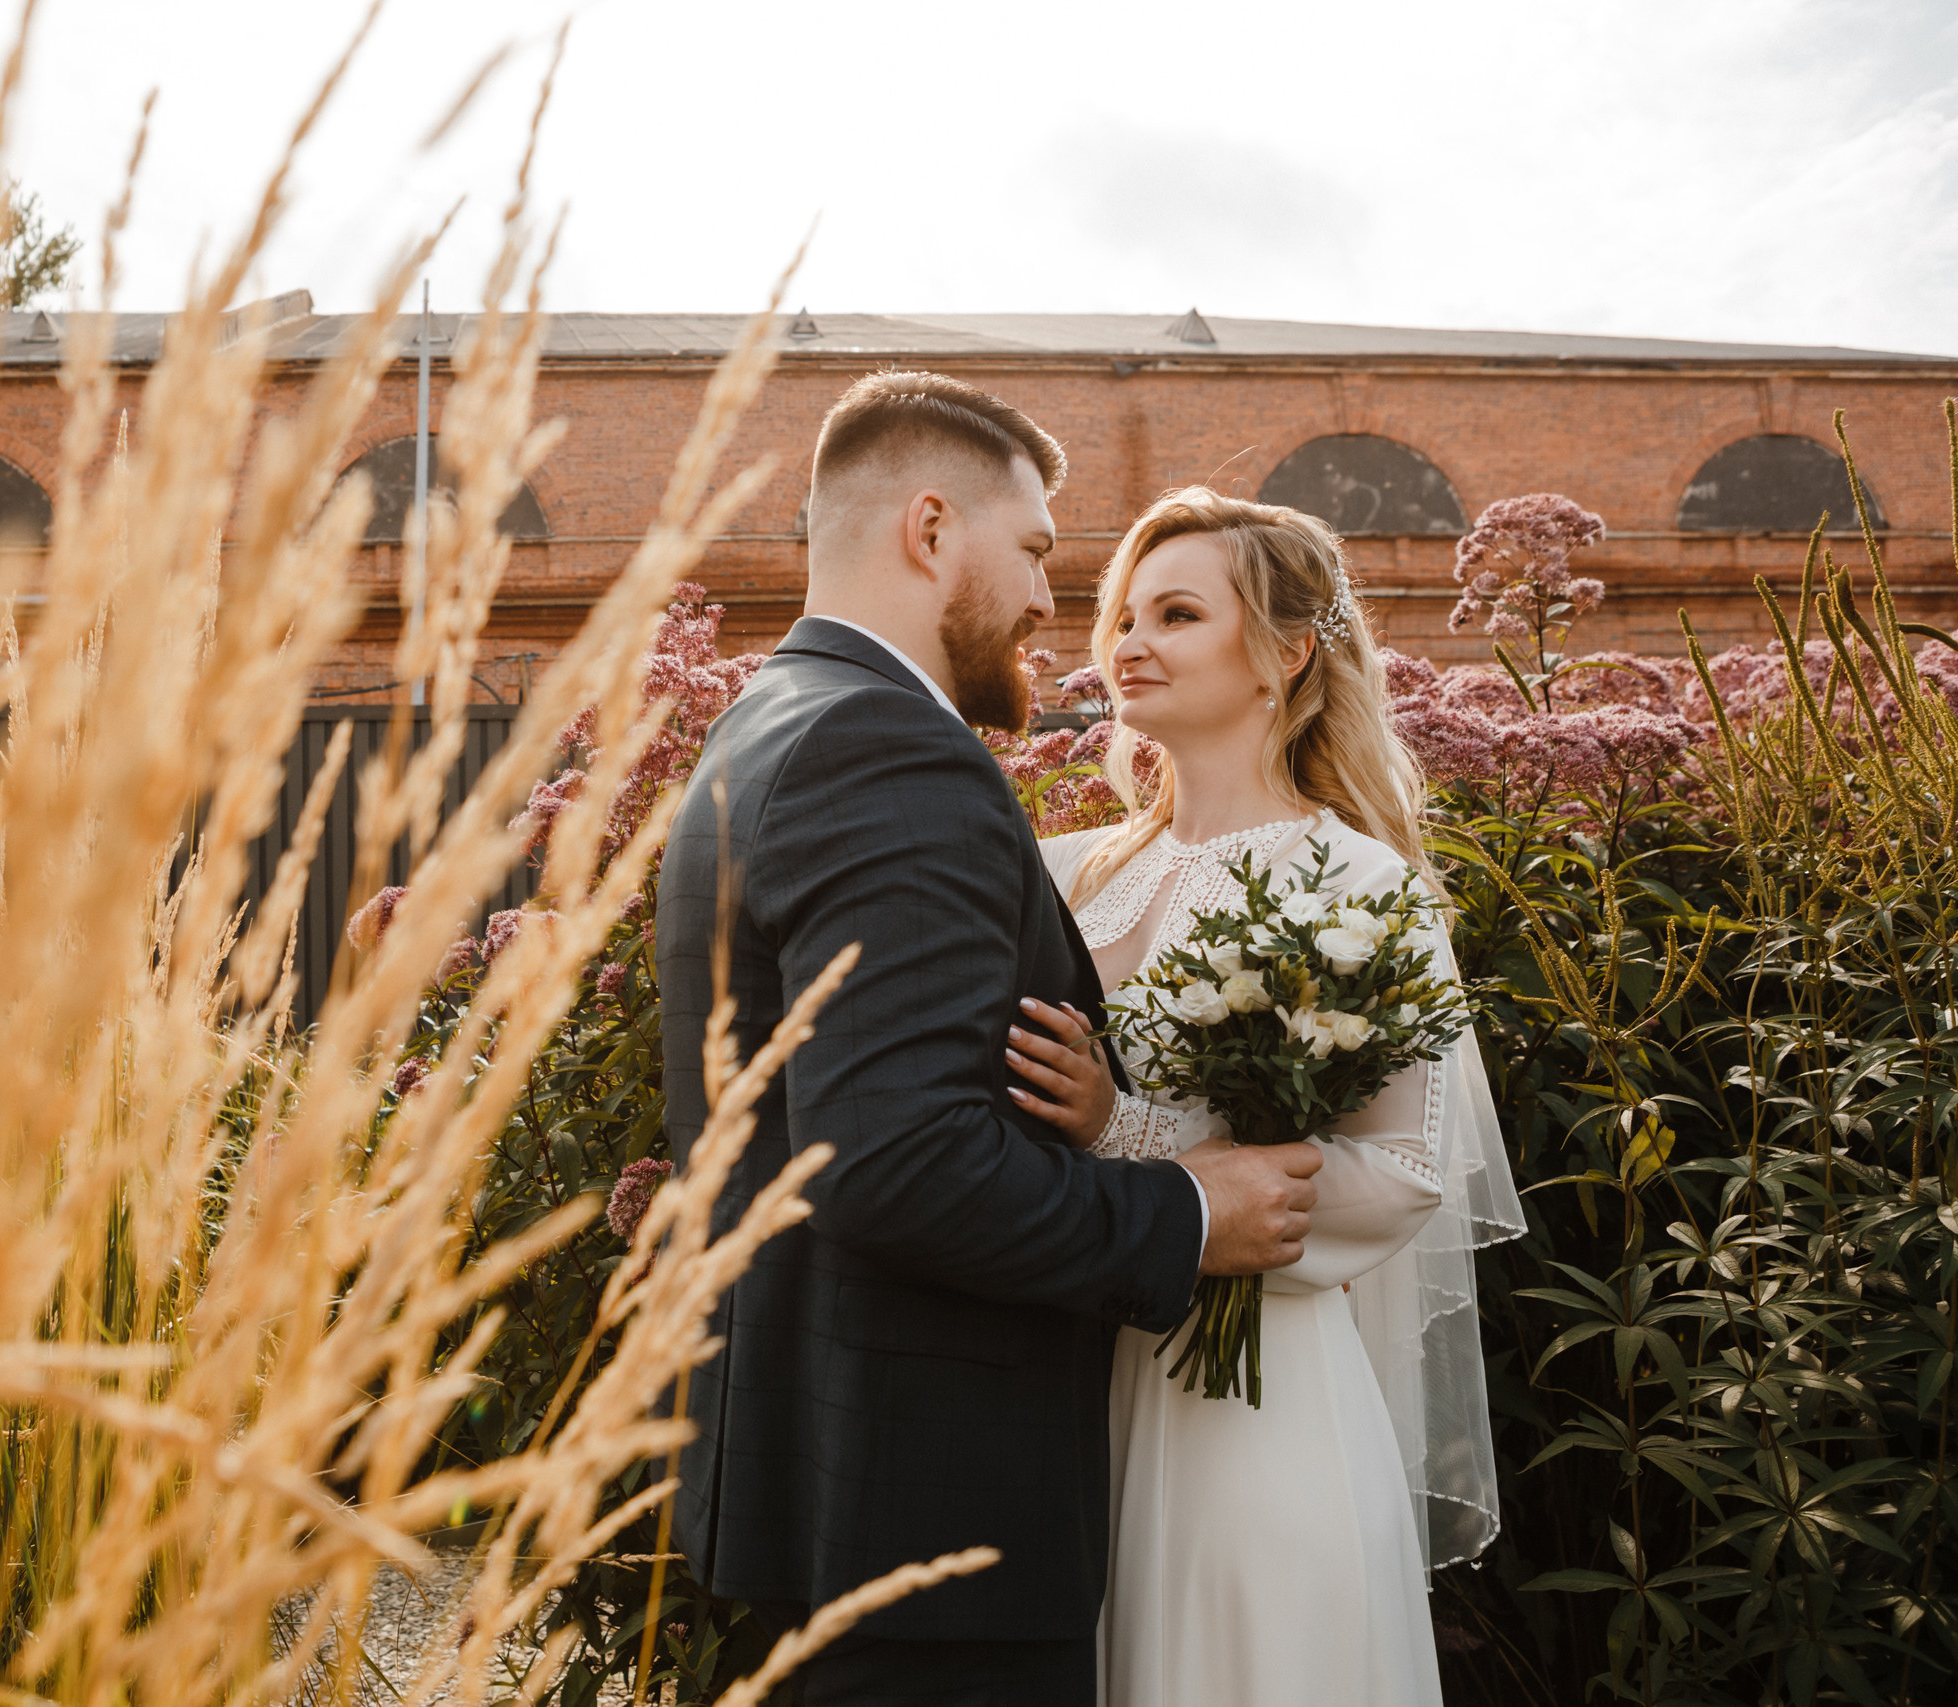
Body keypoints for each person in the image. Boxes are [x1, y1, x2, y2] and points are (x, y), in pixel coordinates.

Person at [654, 373, 1324, 1707]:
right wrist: (1186, 1211)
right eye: (1032, 551)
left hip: (822, 1486)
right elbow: (898, 1162)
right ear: (929, 530)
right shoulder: (885, 748)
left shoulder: (765, 721)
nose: (1047, 603)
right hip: (930, 1530)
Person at [1013, 486, 1526, 1705]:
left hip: (1254, 1402)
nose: (1129, 643)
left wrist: (1123, 1130)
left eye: (1177, 614)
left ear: (1286, 654)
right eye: (1123, 615)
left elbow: (1404, 1171)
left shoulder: (1357, 883)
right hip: (1061, 1398)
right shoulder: (1059, 875)